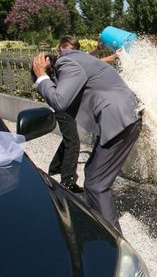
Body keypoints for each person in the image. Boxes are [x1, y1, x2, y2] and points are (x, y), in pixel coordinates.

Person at [31, 35, 142, 233]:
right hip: (122, 118)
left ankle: (114, 240)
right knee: (91, 170)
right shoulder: (74, 58)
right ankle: (98, 223)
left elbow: (59, 101)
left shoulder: (66, 63)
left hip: (118, 119)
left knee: (95, 185)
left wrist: (41, 78)